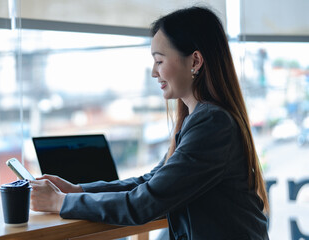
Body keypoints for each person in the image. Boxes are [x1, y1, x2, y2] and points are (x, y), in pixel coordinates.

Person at [29, 6, 270, 240]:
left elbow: (144, 203)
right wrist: (77, 190)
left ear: (195, 61)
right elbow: (150, 182)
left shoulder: (213, 124)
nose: (154, 72)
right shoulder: (200, 120)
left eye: (160, 60)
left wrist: (59, 201)